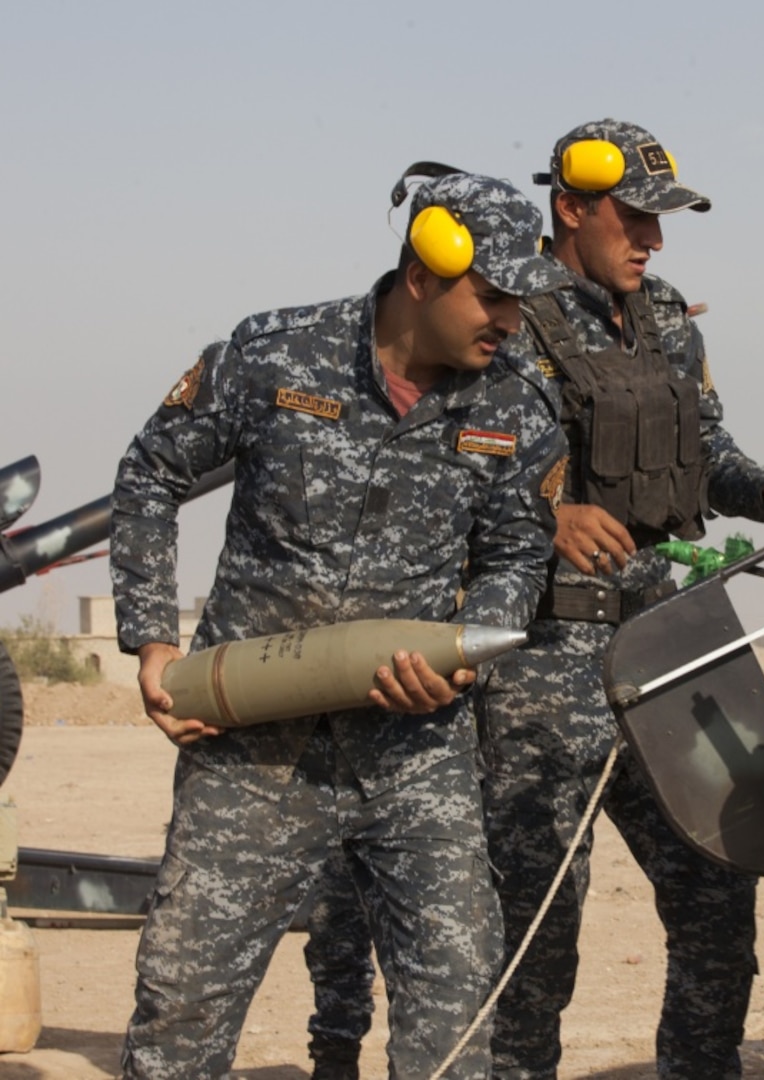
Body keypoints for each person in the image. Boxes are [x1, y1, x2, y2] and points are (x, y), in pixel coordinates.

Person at [303, 120, 764, 1080]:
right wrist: (546, 517)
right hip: (543, 659)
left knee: (718, 908)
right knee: (537, 937)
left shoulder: (668, 317)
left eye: (662, 222)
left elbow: (706, 453)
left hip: (669, 644)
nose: (653, 241)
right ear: (572, 208)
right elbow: (440, 456)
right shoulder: (500, 312)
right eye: (634, 219)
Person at [110, 169, 569, 1080]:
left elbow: (519, 557)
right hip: (253, 750)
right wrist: (155, 638)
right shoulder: (277, 356)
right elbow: (150, 475)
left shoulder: (518, 404)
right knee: (181, 1012)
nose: (510, 321)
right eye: (493, 296)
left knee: (455, 1009)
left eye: (522, 302)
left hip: (416, 755)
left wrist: (466, 656)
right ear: (422, 276)